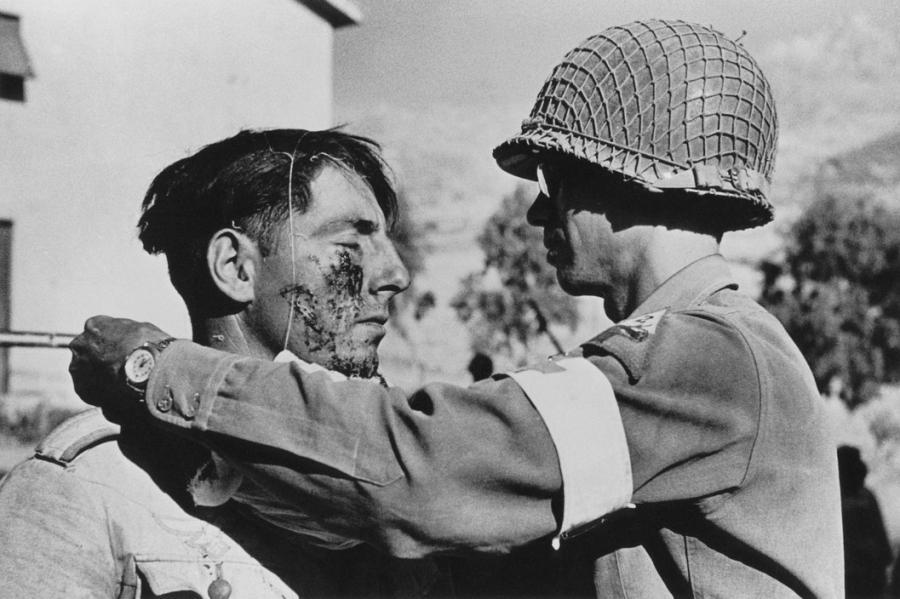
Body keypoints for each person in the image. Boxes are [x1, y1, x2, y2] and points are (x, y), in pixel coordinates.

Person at [69, 20, 844, 598]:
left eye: (554, 180)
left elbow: (422, 471)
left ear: (634, 181)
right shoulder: (688, 357)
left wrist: (156, 367)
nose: (540, 215)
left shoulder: (707, 359)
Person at [0, 128, 452, 598]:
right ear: (235, 267)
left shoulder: (389, 485)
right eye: (350, 244)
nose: (395, 275)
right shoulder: (89, 488)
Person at [838, 445, 892, 597]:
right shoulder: (836, 502)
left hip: (869, 574)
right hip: (851, 575)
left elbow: (881, 539)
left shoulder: (866, 496)